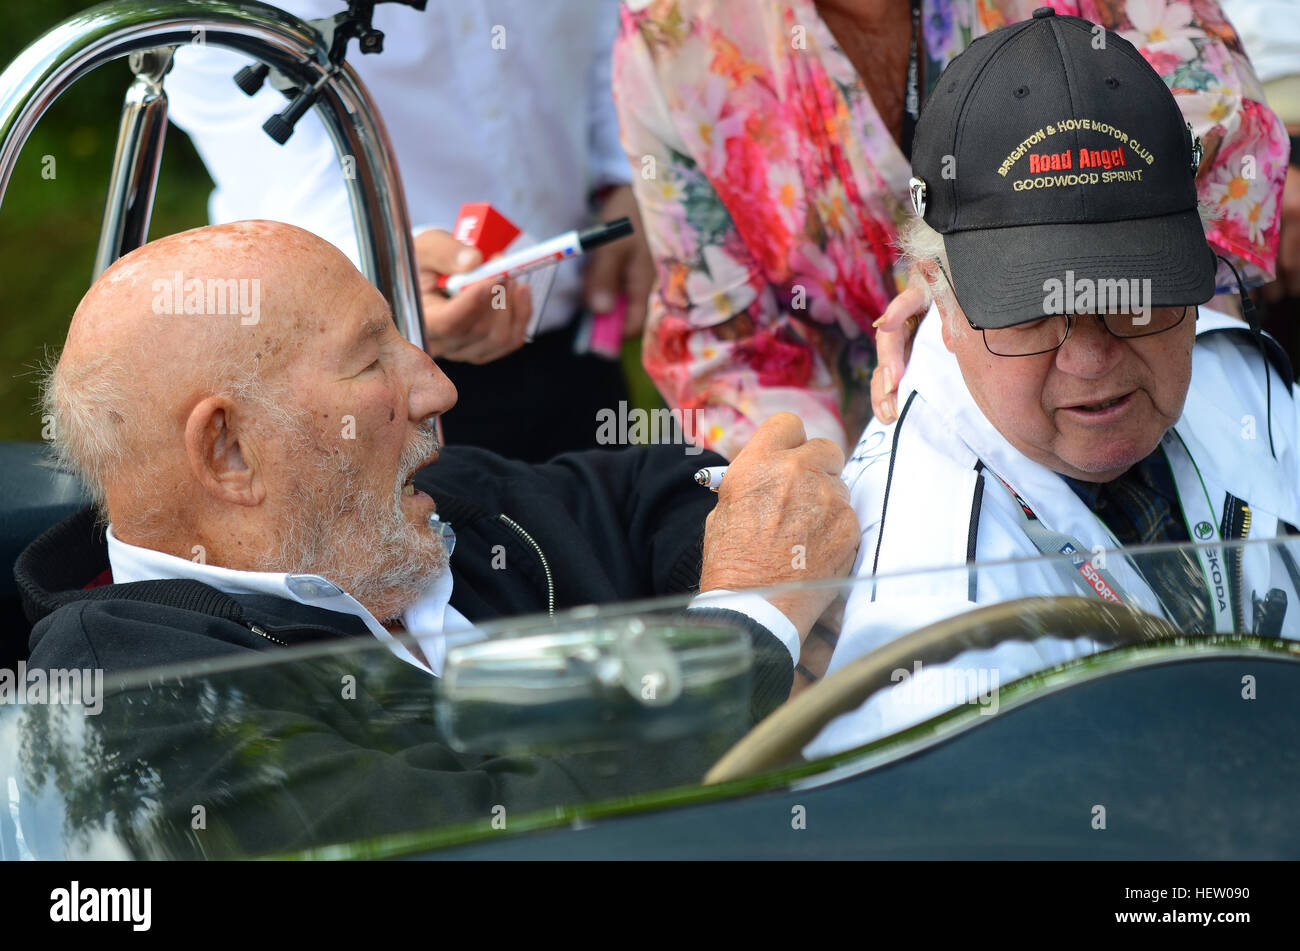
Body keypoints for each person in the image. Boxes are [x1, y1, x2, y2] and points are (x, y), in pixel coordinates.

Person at [14, 220, 858, 854]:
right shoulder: (133, 704)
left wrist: (773, 609)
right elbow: (496, 840)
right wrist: (748, 629)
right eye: (370, 359)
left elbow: (660, 491)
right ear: (230, 451)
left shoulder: (409, 512)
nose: (436, 387)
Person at [808, 9, 1300, 755]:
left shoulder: (1239, 372)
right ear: (936, 295)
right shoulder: (930, 618)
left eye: (1134, 291)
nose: (1090, 356)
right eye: (1033, 311)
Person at [612, 0, 1289, 460]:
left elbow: (1232, 128)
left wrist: (997, 251)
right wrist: (829, 512)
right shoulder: (670, 35)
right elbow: (732, 342)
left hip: (1144, 396)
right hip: (874, 475)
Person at [164, 0, 654, 462]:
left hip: (573, 325)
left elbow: (611, 33)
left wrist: (629, 176)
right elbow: (238, 107)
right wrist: (384, 262)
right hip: (362, 371)